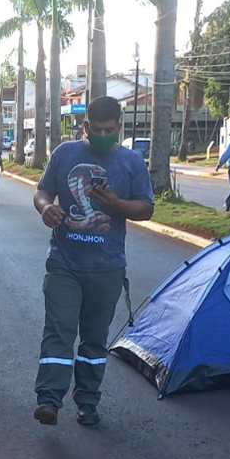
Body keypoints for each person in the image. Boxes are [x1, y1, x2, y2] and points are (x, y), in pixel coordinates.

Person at [32, 96, 155, 427]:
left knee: (94, 339)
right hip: (64, 262)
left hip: (107, 268)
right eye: (96, 129)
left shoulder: (131, 163)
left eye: (109, 130)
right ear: (85, 127)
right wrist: (46, 208)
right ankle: (49, 400)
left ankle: (87, 401)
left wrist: (115, 203)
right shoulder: (65, 154)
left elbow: (146, 208)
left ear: (118, 128)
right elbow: (42, 192)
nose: (102, 135)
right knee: (58, 329)